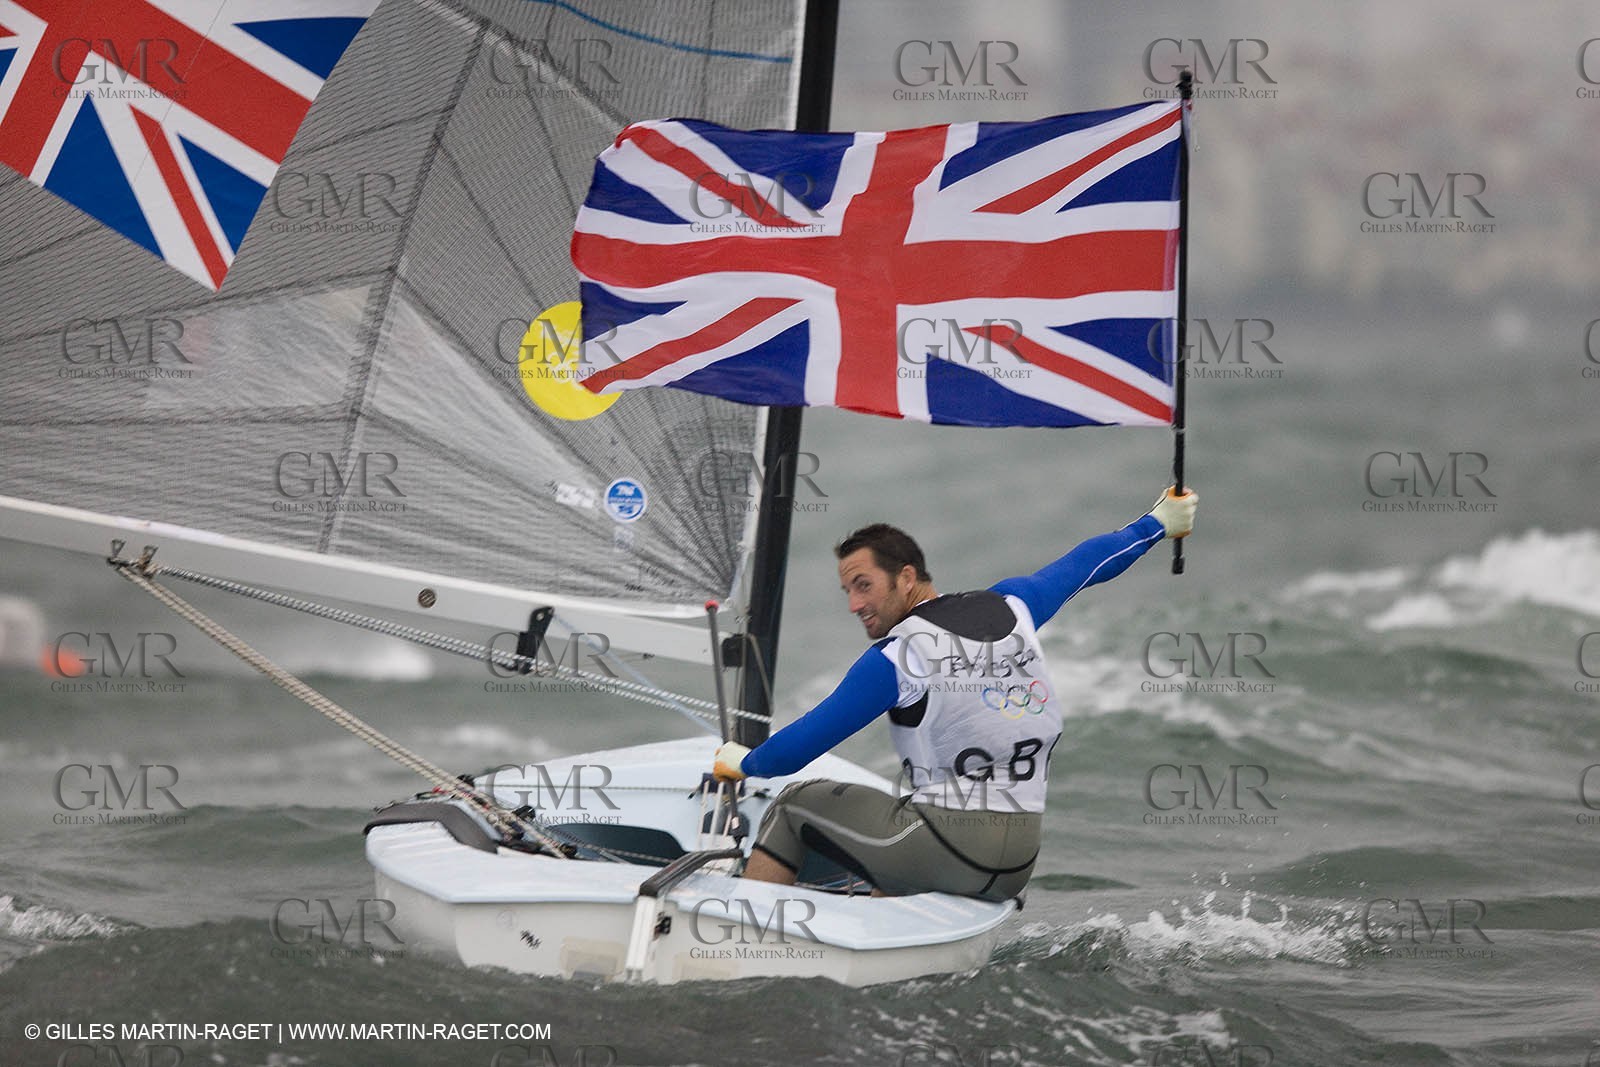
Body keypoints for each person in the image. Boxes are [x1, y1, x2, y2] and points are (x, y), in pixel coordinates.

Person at [709, 487, 1198, 901]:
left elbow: (799, 747)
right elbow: (1086, 564)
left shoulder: (897, 657)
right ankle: (886, 915)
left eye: (864, 586)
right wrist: (1157, 523)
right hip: (1016, 864)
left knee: (795, 808)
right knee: (898, 816)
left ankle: (748, 940)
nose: (855, 604)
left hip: (951, 850)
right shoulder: (1013, 605)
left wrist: (744, 762)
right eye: (847, 593)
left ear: (906, 577)